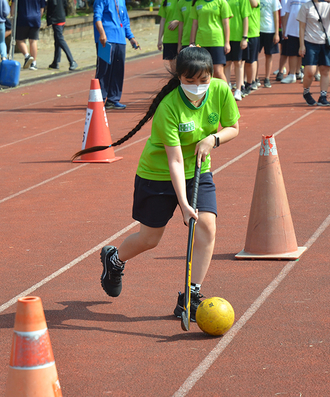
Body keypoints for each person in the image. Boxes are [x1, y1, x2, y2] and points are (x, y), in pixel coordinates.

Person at [71, 47, 240, 320]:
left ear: (211, 76)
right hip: (158, 173)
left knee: (207, 225)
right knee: (150, 239)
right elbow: (173, 160)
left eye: (203, 81)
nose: (197, 87)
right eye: (189, 81)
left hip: (197, 170)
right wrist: (184, 205)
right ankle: (114, 259)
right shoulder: (169, 107)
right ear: (179, 78)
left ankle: (191, 294)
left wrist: (213, 139)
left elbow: (234, 127)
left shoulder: (220, 91)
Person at [93, 0, 140, 110]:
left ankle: (113, 100)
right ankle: (99, 99)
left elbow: (125, 21)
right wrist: (102, 34)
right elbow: (97, 17)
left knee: (118, 70)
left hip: (120, 40)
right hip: (106, 39)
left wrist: (131, 38)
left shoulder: (121, 1)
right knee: (104, 70)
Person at [297, 0, 330, 106]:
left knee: (325, 70)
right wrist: (302, 45)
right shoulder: (305, 7)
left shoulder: (329, 5)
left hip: (326, 42)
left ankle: (323, 96)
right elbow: (302, 27)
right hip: (310, 42)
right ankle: (306, 92)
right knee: (310, 72)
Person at [189, 0, 233, 82]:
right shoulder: (197, 3)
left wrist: (227, 42)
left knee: (218, 71)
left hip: (216, 41)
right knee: (203, 72)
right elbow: (194, 24)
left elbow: (226, 24)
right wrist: (192, 42)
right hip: (201, 41)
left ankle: (227, 94)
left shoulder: (221, 2)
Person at [224, 0, 250, 100]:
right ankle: (227, 90)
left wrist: (244, 37)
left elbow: (245, 18)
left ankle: (238, 90)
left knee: (238, 63)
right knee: (227, 63)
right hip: (226, 37)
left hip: (238, 37)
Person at [11, 0, 45, 70]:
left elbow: (14, 4)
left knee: (19, 40)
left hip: (23, 18)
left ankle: (27, 56)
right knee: (33, 41)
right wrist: (39, 17)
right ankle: (34, 63)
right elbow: (42, 7)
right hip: (35, 18)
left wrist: (12, 16)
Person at [279, 0, 307, 84]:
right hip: (292, 29)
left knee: (306, 53)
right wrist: (285, 28)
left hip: (306, 29)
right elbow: (287, 12)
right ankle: (292, 75)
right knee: (292, 53)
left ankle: (305, 74)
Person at [46, 0, 78, 70]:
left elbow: (53, 4)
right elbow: (65, 4)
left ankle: (72, 61)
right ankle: (55, 62)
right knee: (57, 40)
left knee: (60, 39)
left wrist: (49, 18)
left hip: (56, 18)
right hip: (61, 17)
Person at [259, 0, 281, 87]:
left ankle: (267, 78)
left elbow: (276, 17)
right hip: (258, 30)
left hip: (269, 30)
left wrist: (276, 33)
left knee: (268, 55)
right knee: (254, 56)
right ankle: (254, 79)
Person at [157, 0, 181, 66]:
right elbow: (163, 20)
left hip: (183, 37)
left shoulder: (184, 1)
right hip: (169, 37)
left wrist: (178, 21)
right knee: (173, 69)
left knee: (184, 67)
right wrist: (159, 39)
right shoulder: (165, 1)